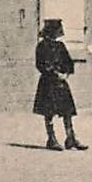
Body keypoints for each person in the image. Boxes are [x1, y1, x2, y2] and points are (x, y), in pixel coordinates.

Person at [33, 19, 86, 151]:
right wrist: (54, 73)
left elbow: (68, 62)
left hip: (61, 83)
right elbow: (41, 64)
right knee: (49, 111)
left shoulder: (60, 46)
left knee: (67, 111)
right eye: (58, 30)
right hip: (48, 83)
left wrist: (65, 73)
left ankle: (70, 138)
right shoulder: (41, 46)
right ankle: (51, 139)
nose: (60, 33)